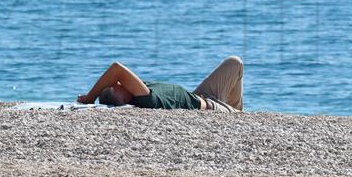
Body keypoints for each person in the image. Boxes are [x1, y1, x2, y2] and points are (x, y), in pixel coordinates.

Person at [76, 56, 243, 113]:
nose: (119, 82)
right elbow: (116, 68)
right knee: (240, 119)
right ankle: (234, 112)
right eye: (118, 85)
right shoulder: (145, 100)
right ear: (124, 97)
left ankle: (235, 108)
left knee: (235, 63)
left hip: (200, 94)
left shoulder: (138, 91)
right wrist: (89, 98)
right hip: (211, 107)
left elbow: (116, 74)